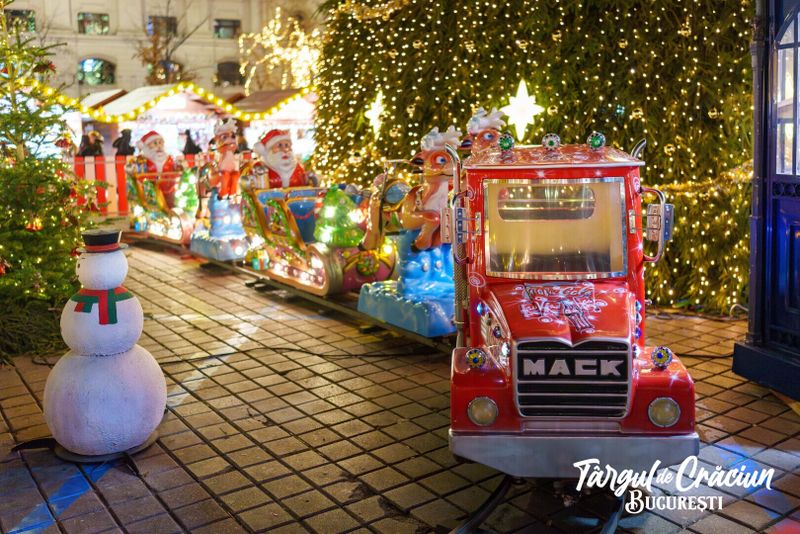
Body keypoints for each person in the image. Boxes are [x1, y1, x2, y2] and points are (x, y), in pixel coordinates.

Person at [136, 130, 180, 207]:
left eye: (160, 143)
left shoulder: (169, 159)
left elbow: (175, 170)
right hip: (151, 191)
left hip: (169, 189)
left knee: (171, 205)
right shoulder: (143, 160)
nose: (159, 146)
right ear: (146, 147)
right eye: (155, 143)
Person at [210, 119, 239, 198]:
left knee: (235, 175)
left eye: (232, 136)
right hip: (224, 166)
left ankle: (232, 192)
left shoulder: (231, 146)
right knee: (224, 176)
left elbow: (235, 148)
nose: (230, 139)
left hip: (231, 165)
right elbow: (220, 150)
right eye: (225, 137)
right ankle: (224, 192)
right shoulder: (222, 148)